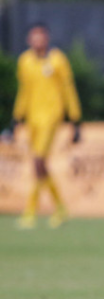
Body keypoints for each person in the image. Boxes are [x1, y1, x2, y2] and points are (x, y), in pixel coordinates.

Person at [4, 23, 82, 229]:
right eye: (34, 37)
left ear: (46, 38)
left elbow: (68, 89)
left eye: (41, 36)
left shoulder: (57, 60)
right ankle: (60, 208)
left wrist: (75, 119)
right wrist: (16, 118)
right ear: (29, 40)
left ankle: (30, 211)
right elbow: (24, 92)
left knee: (38, 161)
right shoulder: (25, 61)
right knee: (39, 165)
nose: (38, 41)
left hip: (51, 118)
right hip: (32, 119)